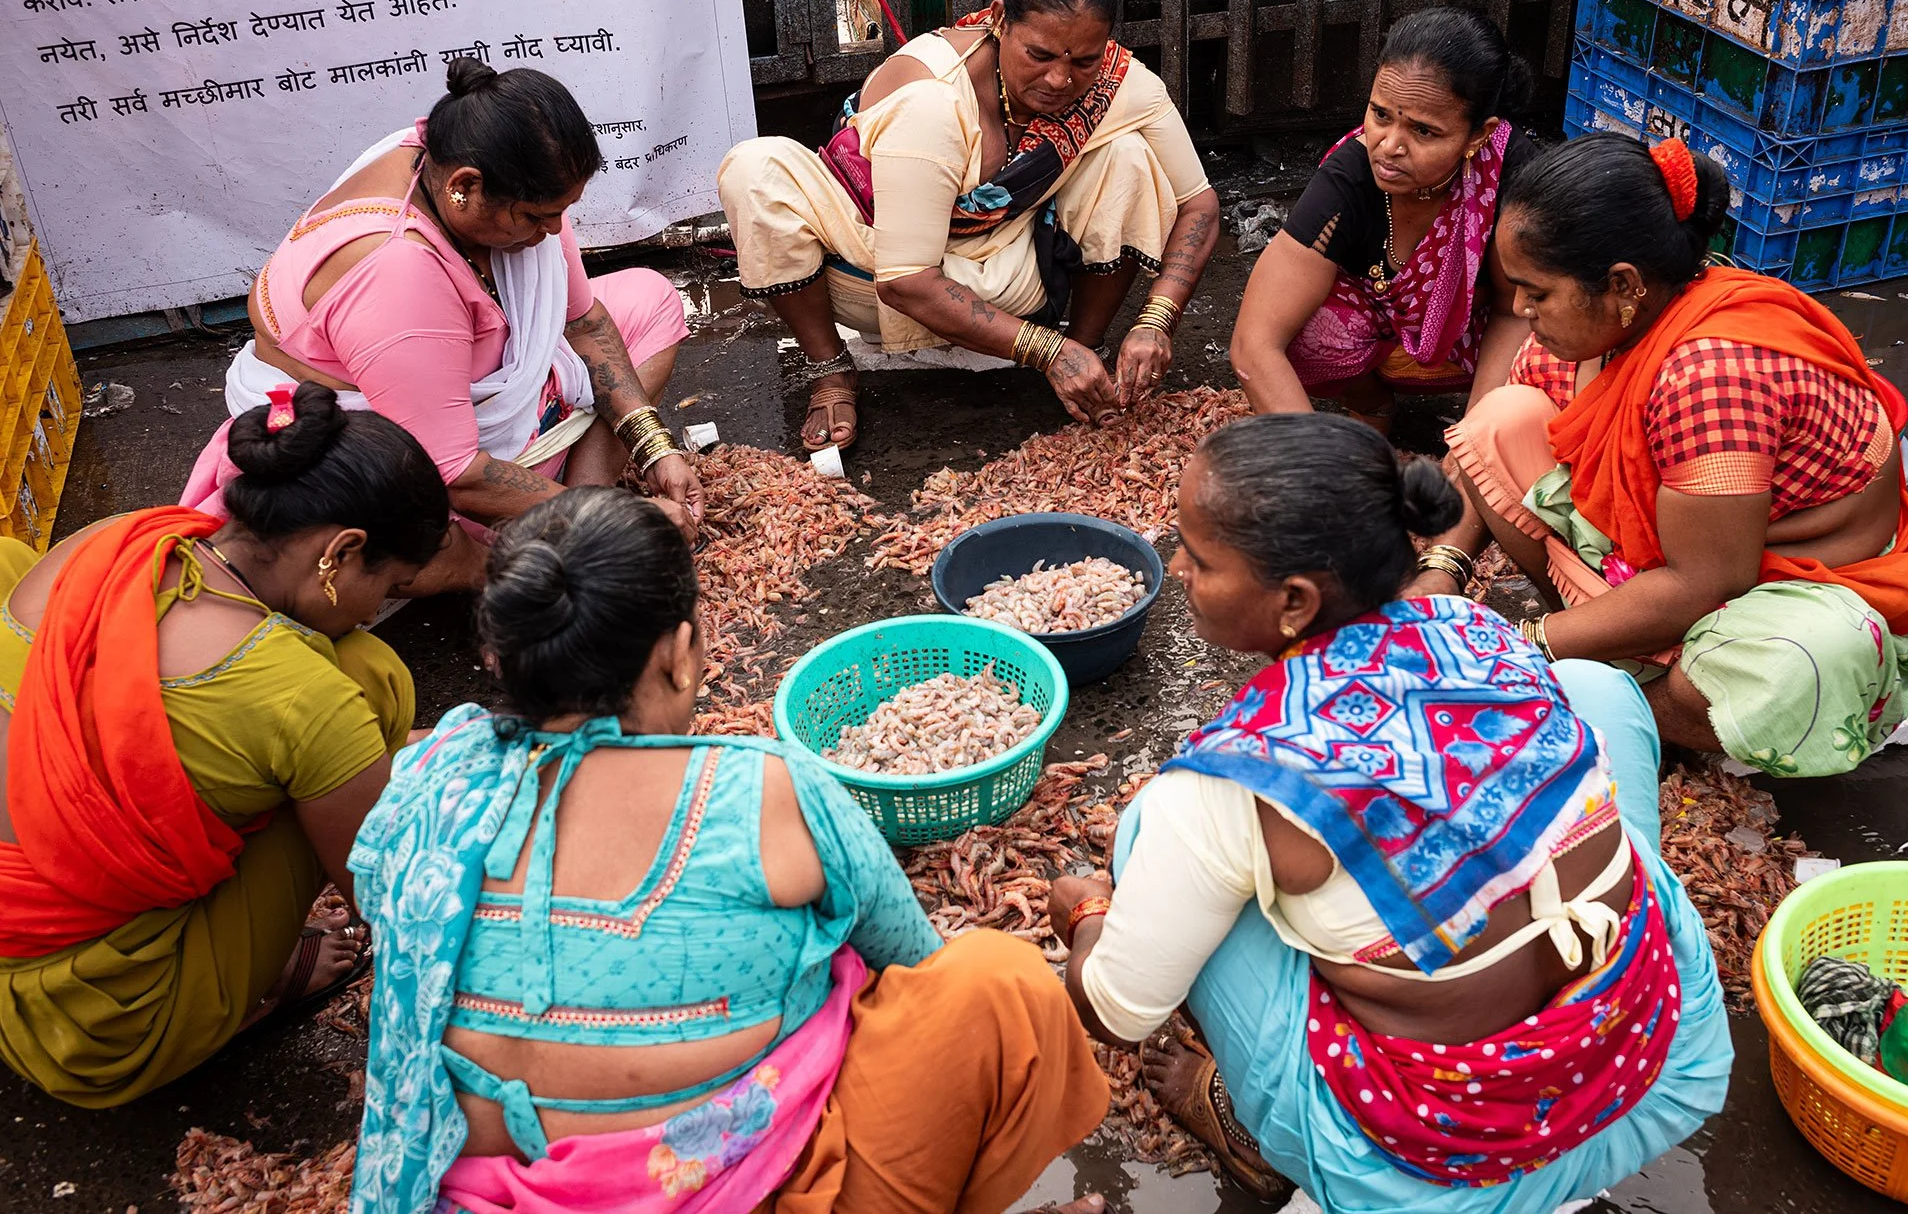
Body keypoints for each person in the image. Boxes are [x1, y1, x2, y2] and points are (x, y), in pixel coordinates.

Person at [348, 486, 1108, 1214]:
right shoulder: (763, 790)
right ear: (679, 653)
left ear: (502, 658)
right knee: (991, 985)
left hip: (481, 1186)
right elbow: (912, 961)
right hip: (744, 1189)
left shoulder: (429, 786)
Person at [1050, 414, 1731, 1210]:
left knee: (1151, 838)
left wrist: (1091, 911)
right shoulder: (1476, 628)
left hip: (1441, 1171)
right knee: (1597, 691)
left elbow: (1118, 1013)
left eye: (1199, 559)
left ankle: (1269, 1134)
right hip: (1656, 1062)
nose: (1177, 568)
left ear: (1295, 601)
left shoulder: (1230, 782)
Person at [1440, 134, 1908, 777]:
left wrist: (1521, 648)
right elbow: (1484, 451)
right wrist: (1446, 563)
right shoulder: (1606, 325)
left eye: (1535, 292)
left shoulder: (1711, 374)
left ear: (1622, 284)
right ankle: (1612, 651)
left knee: (1805, 664)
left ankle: (1629, 702)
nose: (1519, 309)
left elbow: (1708, 581)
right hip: (1688, 546)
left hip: (1788, 576)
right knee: (1501, 420)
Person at [0, 383, 449, 1106]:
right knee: (372, 679)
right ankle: (251, 984)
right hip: (98, 1029)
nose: (381, 608)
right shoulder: (301, 695)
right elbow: (387, 903)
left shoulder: (121, 538)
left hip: (21, 939)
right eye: (390, 586)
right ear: (340, 553)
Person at [181, 60, 702, 594]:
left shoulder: (451, 158)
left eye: (561, 211)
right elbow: (453, 471)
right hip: (400, 458)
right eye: (534, 216)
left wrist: (653, 446)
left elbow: (585, 324)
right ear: (465, 187)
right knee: (402, 546)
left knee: (648, 298)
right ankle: (530, 554)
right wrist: (620, 521)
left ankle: (574, 518)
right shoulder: (397, 272)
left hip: (473, 404)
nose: (553, 232)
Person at [716, 0, 1220, 450]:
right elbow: (905, 280)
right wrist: (1042, 349)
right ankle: (830, 369)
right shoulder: (933, 90)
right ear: (1001, 21)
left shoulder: (1119, 82)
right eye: (1040, 55)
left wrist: (1156, 319)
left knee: (1129, 155)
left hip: (1006, 275)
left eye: (1084, 60)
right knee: (756, 167)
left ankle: (1085, 352)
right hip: (872, 272)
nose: (1059, 81)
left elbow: (1200, 204)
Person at [1230, 8, 1537, 437]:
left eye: (1424, 132)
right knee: (1307, 334)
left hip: (1476, 339)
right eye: (1380, 115)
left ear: (1477, 135)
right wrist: (1316, 469)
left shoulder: (1511, 178)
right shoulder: (1348, 177)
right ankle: (1373, 405)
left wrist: (1475, 446)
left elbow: (1515, 314)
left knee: (1556, 350)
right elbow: (1254, 344)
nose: (1389, 146)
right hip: (1378, 325)